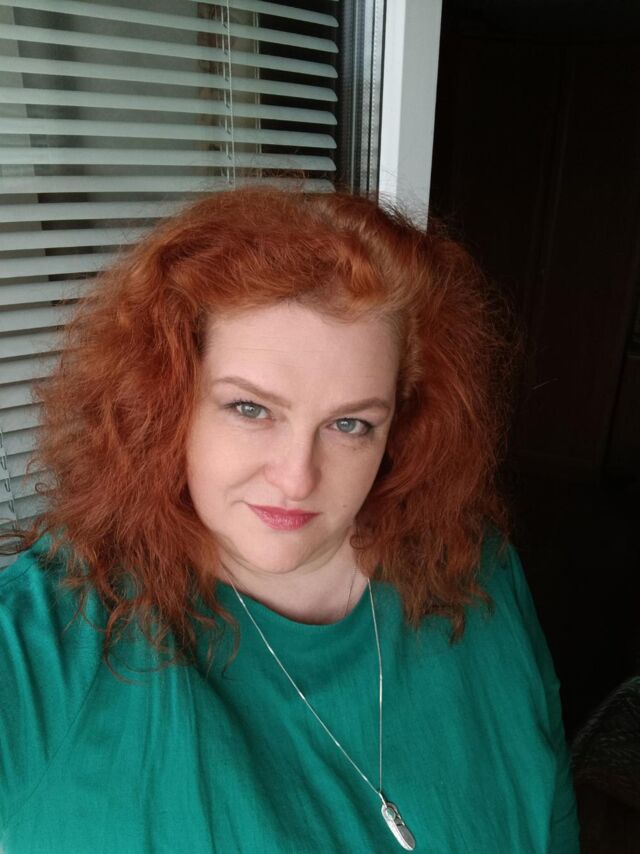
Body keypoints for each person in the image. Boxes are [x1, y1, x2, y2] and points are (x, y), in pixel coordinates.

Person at [0, 186, 579, 853]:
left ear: (401, 423)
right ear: (169, 399)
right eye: (251, 409)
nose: (297, 478)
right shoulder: (55, 636)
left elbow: (552, 814)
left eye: (350, 424)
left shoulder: (476, 569)